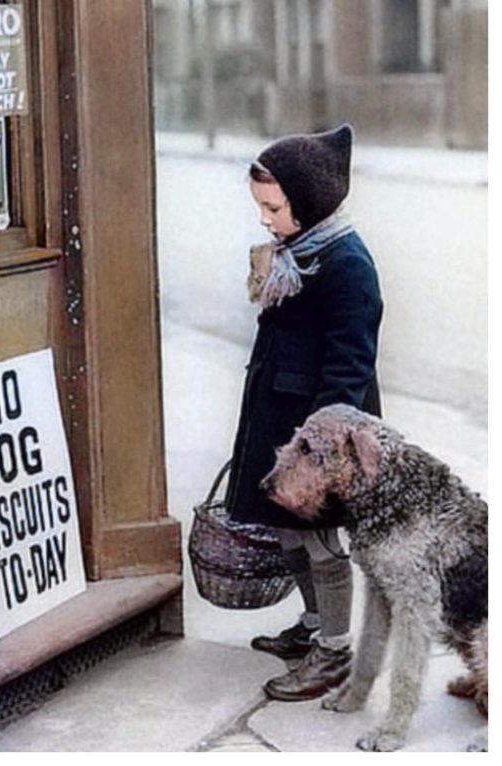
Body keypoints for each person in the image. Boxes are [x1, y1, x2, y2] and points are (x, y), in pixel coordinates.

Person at [224, 124, 383, 701]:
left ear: (307, 202)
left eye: (273, 207)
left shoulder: (347, 265)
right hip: (281, 419)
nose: (265, 218)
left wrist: (321, 448)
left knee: (318, 540)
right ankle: (315, 626)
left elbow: (350, 365)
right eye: (261, 207)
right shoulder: (298, 253)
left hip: (323, 432)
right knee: (288, 534)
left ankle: (336, 652)